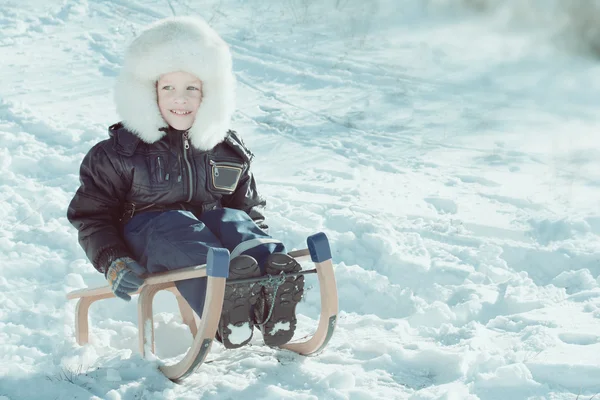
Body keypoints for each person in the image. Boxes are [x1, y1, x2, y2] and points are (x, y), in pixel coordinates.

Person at [67, 16, 304, 350]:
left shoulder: (226, 149)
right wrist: (114, 260)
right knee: (175, 224)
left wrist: (255, 236)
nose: (180, 99)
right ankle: (223, 306)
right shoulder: (120, 152)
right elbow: (91, 216)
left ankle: (271, 284)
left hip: (216, 239)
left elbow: (246, 209)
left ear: (209, 93)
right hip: (148, 240)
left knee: (231, 218)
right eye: (169, 88)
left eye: (191, 88)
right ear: (148, 93)